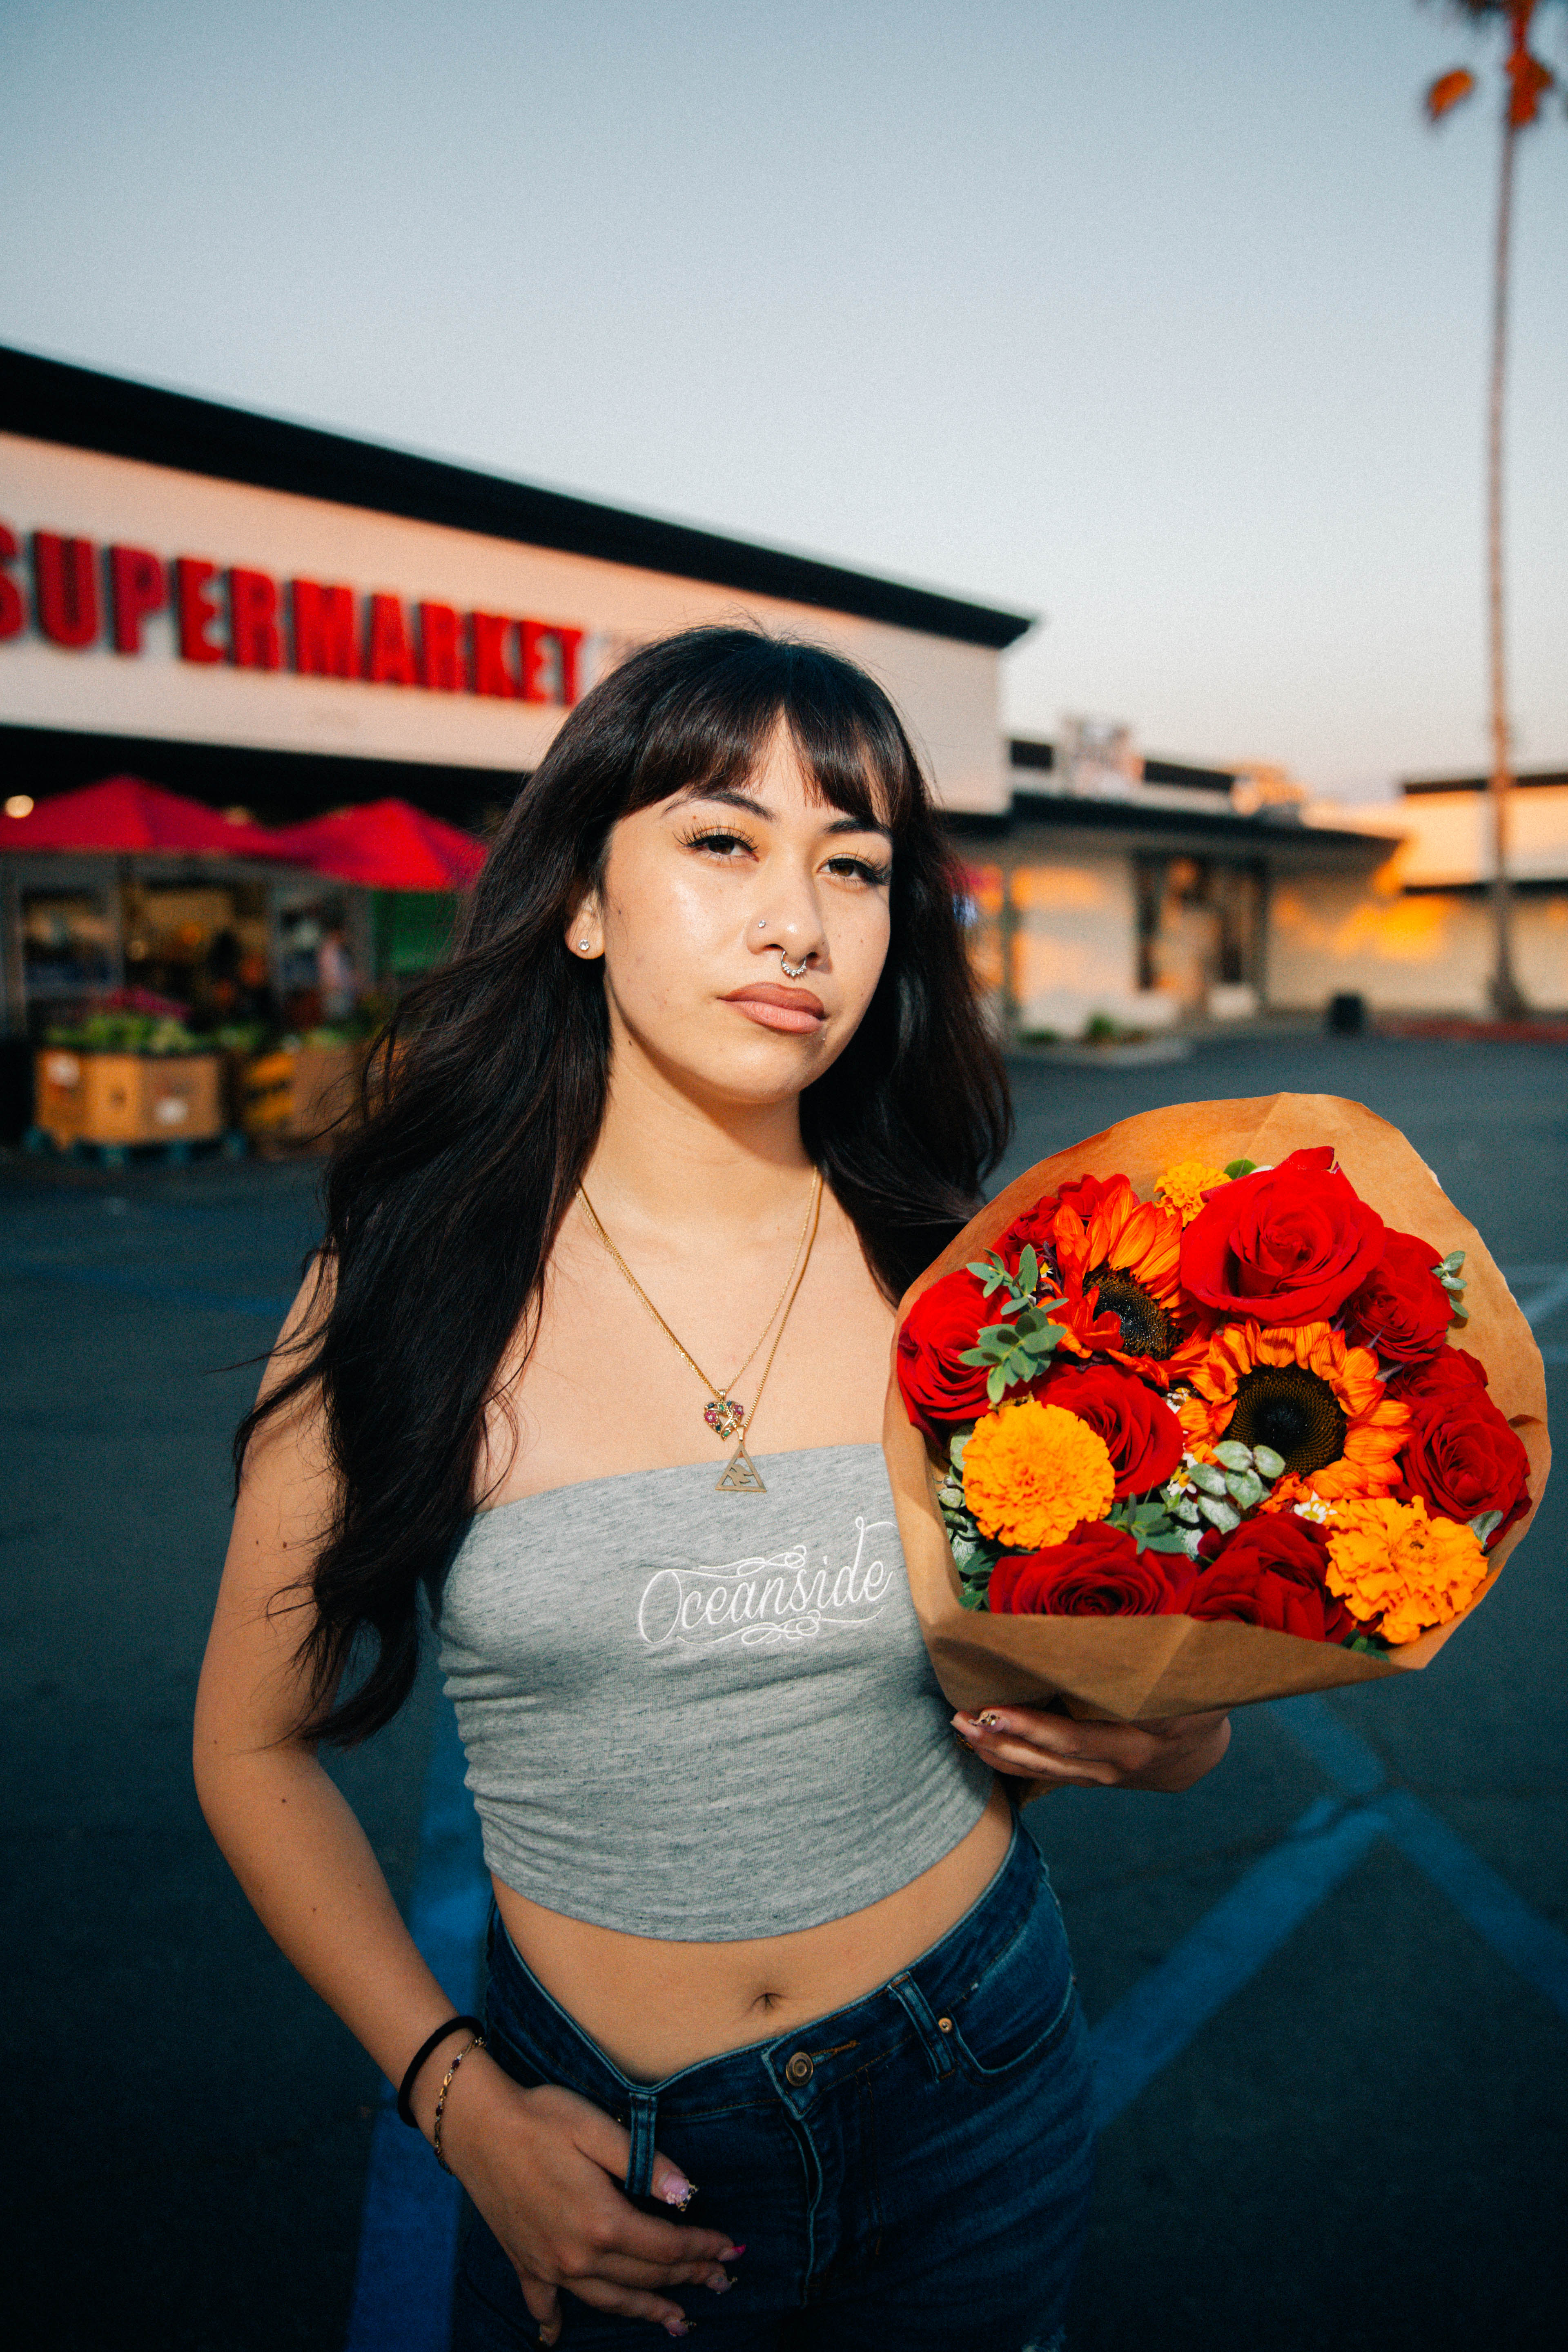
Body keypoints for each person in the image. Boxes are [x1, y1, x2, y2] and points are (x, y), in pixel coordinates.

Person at [194, 628, 1229, 2350]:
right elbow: (250, 1742)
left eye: (857, 865)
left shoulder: (981, 1286)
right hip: (604, 2152)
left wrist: (1169, 1737)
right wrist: (459, 2102)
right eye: (722, 840)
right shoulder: (407, 1281)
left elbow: (1166, 1711)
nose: (799, 923)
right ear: (584, 897)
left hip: (977, 2079)